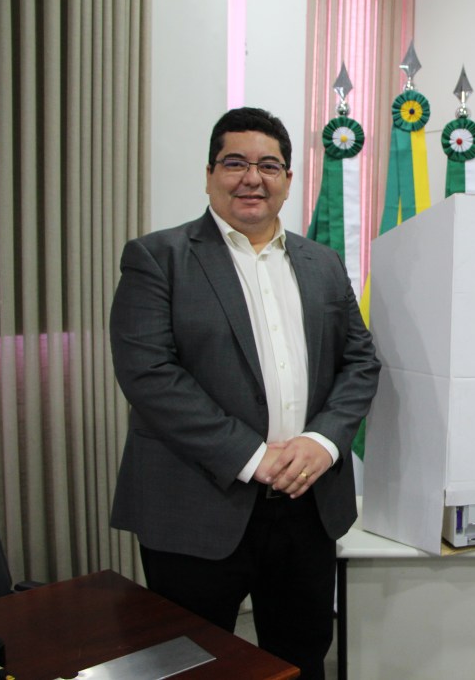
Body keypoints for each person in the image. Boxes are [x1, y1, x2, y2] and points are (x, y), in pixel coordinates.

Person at [109, 107, 380, 679]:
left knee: (299, 659)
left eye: (268, 165)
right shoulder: (158, 258)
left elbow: (359, 361)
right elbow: (150, 375)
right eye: (234, 163)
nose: (252, 178)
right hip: (197, 506)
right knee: (192, 666)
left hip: (307, 507)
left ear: (287, 179)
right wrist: (253, 457)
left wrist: (324, 441)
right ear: (209, 174)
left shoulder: (323, 263)